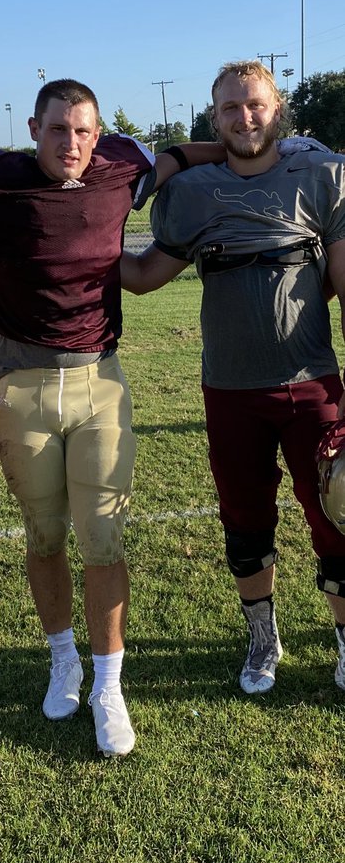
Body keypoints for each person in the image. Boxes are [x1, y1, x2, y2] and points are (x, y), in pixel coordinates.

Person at [0, 77, 228, 759]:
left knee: (104, 539)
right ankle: (62, 658)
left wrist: (257, 146)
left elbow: (178, 158)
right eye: (57, 129)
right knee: (44, 536)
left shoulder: (122, 167)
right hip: (19, 383)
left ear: (98, 132)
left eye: (83, 130)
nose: (71, 143)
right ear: (32, 127)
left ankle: (109, 683)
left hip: (99, 381)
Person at [120, 59, 345, 698]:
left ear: (279, 112)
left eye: (256, 105)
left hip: (313, 385)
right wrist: (74, 242)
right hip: (230, 390)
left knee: (337, 514)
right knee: (245, 520)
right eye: (230, 108)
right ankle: (262, 637)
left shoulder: (321, 177)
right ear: (213, 120)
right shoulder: (194, 192)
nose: (245, 117)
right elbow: (143, 276)